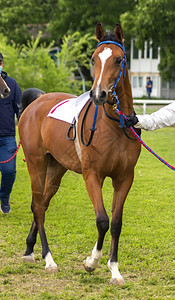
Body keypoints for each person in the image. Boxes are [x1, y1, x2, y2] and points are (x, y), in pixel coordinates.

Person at [0, 53, 22, 214]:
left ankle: (4, 197)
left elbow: (20, 110)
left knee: (9, 171)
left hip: (7, 137)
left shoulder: (12, 84)